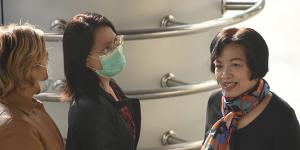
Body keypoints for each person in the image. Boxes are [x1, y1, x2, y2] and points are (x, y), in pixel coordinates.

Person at [201, 27, 300, 150]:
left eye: (235, 65)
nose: (224, 75)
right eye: (219, 66)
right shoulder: (215, 102)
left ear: (255, 65)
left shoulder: (281, 116)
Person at [63, 12, 141, 150]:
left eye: (116, 42)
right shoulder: (89, 110)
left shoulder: (111, 87)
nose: (117, 50)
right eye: (107, 48)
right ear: (85, 59)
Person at [0, 24, 64, 150]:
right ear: (25, 67)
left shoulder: (31, 107)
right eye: (45, 59)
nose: (47, 66)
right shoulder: (15, 127)